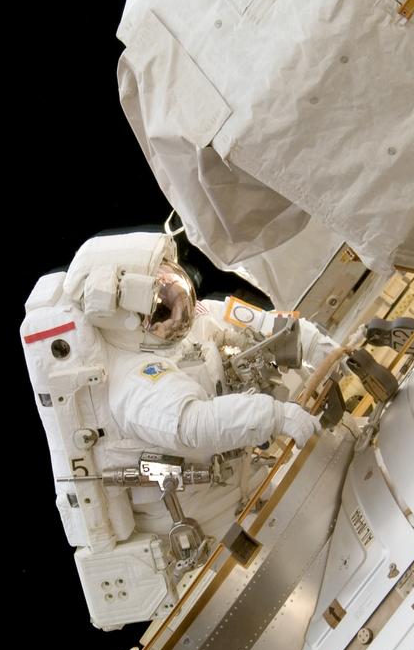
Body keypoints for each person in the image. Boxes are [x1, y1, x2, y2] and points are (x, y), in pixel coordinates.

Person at [21, 227, 334, 629]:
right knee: (299, 596)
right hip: (215, 532)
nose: (176, 311)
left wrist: (322, 348)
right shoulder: (131, 383)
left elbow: (267, 326)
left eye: (172, 288)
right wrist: (277, 416)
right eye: (160, 307)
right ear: (128, 318)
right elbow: (193, 424)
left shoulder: (188, 324)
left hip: (248, 486)